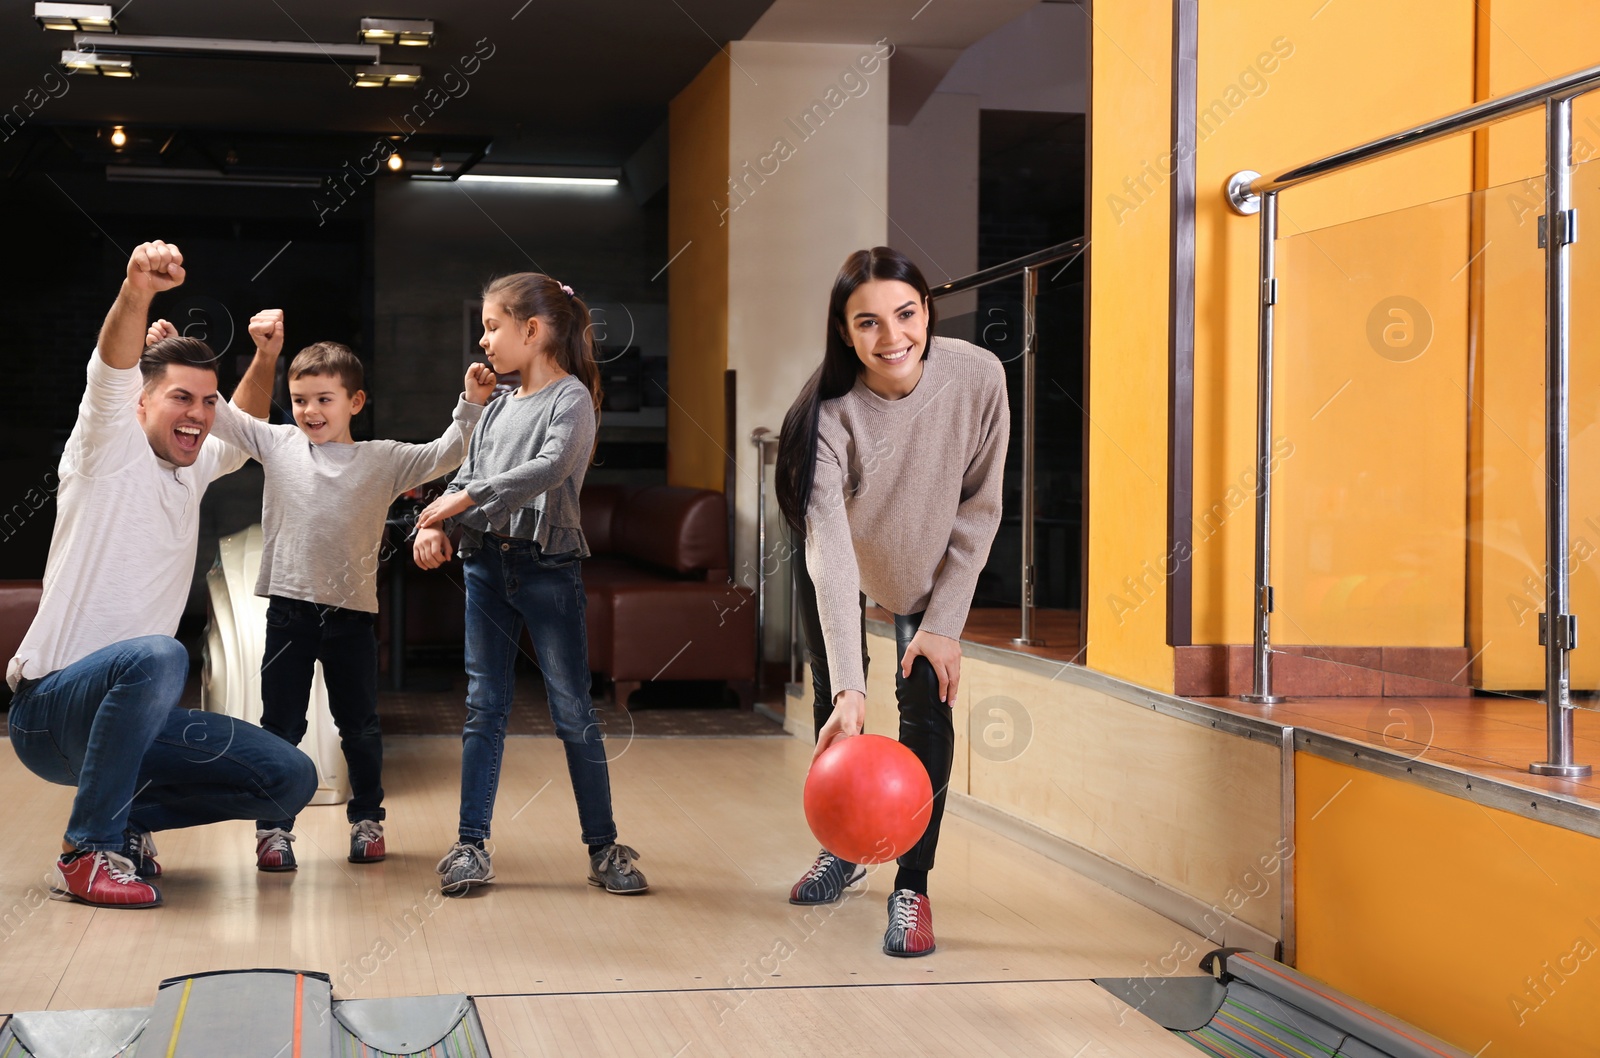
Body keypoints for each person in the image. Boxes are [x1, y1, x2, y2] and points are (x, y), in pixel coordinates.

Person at [6, 241, 318, 909]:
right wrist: (138, 287)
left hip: (132, 719)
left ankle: (127, 823)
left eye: (208, 401)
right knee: (157, 656)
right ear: (141, 404)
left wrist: (263, 357)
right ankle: (87, 850)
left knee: (289, 778)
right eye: (182, 397)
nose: (200, 414)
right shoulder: (106, 449)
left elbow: (244, 430)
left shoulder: (197, 463)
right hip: (52, 712)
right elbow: (110, 369)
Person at [166, 320, 494, 870]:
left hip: (352, 618)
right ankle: (273, 830)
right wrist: (174, 353)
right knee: (281, 727)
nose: (310, 410)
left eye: (323, 398)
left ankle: (367, 820)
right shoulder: (276, 441)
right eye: (298, 399)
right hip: (289, 612)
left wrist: (472, 402)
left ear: (355, 401)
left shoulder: (383, 459)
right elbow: (218, 411)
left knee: (359, 727)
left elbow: (448, 452)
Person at [775, 246, 1009, 956]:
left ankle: (912, 887)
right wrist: (851, 684)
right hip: (838, 555)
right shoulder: (828, 414)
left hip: (929, 562)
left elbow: (981, 508)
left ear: (928, 311)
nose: (892, 338)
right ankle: (844, 849)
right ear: (845, 332)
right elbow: (834, 553)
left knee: (925, 714)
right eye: (868, 323)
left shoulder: (978, 376)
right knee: (837, 709)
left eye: (906, 314)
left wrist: (943, 626)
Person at [412, 272, 648, 898]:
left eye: (492, 327)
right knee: (483, 708)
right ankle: (470, 845)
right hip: (485, 566)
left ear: (533, 330)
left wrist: (459, 500)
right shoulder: (493, 408)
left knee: (573, 711)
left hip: (548, 568)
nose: (484, 341)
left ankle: (604, 848)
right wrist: (438, 525)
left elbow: (546, 470)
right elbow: (469, 470)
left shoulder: (570, 400)